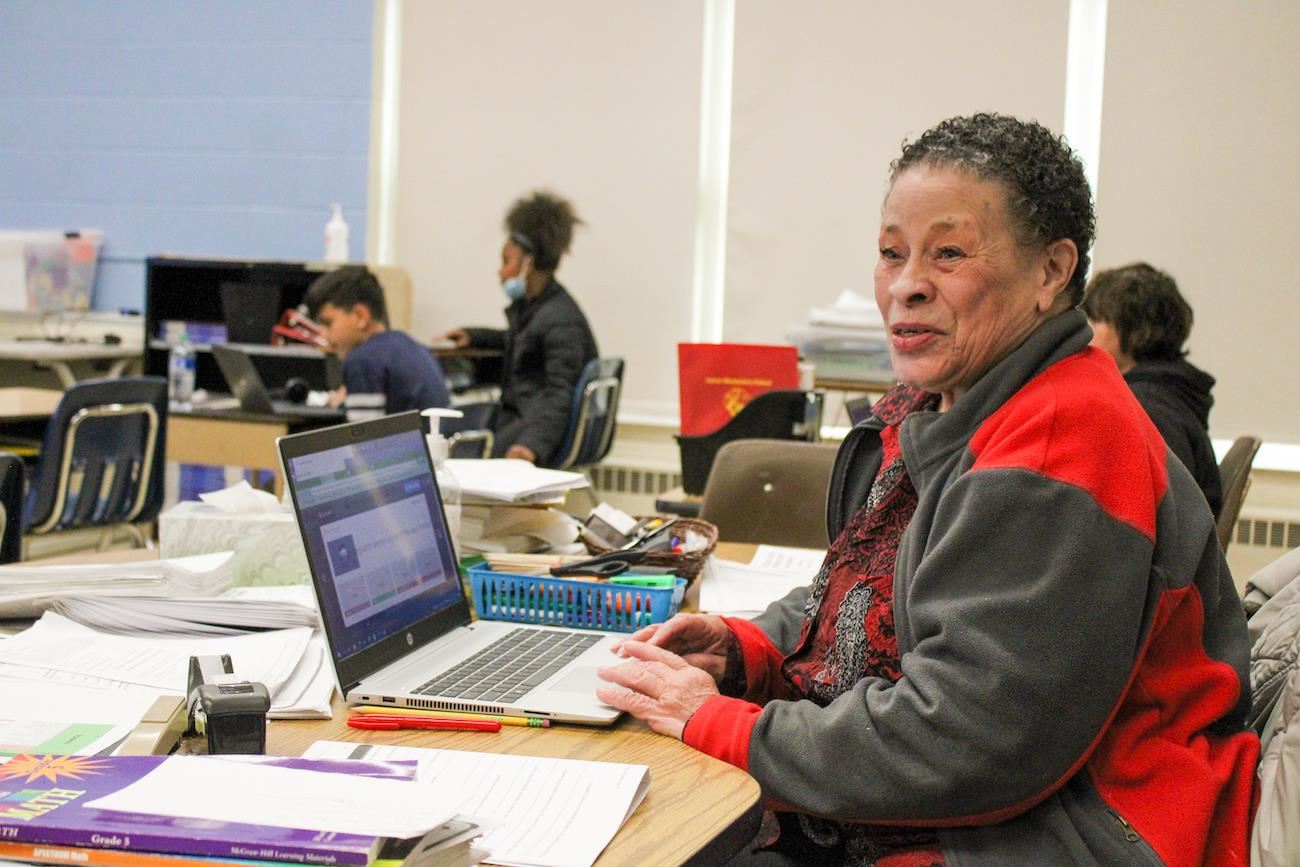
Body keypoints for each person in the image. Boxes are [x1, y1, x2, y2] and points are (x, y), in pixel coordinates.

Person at [597, 114, 1258, 865]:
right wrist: (744, 652)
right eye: (890, 253)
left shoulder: (1058, 444)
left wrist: (723, 725)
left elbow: (965, 743)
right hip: (974, 807)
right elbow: (856, 602)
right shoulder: (946, 402)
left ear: (1051, 271)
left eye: (948, 254)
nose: (907, 285)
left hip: (1063, 830)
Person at [443, 191, 597, 465]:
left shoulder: (560, 321)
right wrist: (476, 337)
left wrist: (530, 445)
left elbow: (559, 393)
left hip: (533, 427)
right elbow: (526, 341)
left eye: (506, 261)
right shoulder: (540, 311)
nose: (500, 272)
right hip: (523, 417)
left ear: (529, 263)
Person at [1081, 262, 1223, 517]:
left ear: (1133, 330)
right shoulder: (1170, 391)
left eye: (1097, 319)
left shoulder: (1149, 406)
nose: (1086, 331)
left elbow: (1160, 517)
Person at [304, 265, 450, 415]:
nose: (323, 336)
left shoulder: (361, 360)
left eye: (328, 323)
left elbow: (364, 434)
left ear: (360, 316)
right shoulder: (416, 348)